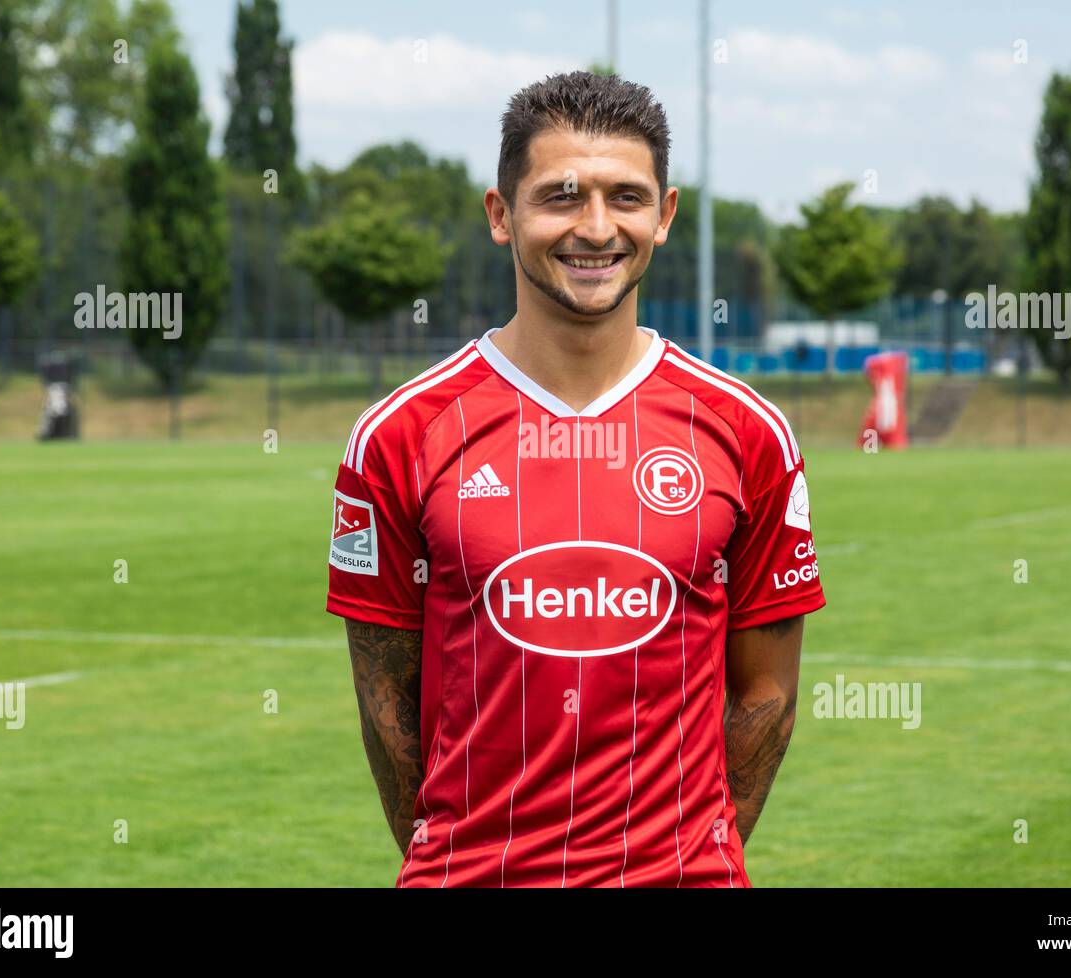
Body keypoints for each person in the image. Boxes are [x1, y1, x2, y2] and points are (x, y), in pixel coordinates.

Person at [327, 71, 824, 887]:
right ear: (501, 214)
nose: (596, 228)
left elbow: (765, 699)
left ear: (664, 216)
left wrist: (691, 860)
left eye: (625, 197)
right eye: (561, 197)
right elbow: (387, 710)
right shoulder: (399, 436)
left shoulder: (748, 433)